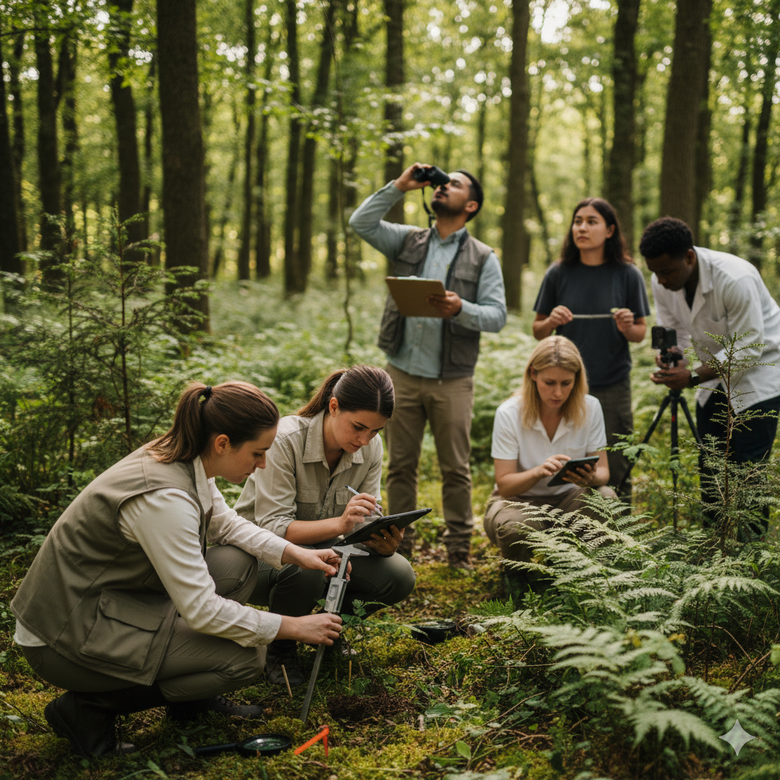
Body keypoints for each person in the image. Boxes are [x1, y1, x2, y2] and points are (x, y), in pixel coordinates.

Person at [11, 382, 344, 758]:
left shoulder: (185, 459)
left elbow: (226, 524)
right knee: (244, 658)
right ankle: (88, 709)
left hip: (115, 601)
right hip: (63, 636)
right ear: (222, 443)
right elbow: (202, 610)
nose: (262, 464)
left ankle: (191, 700)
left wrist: (297, 554)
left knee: (235, 564)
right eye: (258, 453)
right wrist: (294, 626)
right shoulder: (163, 499)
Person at [349, 162, 507, 570]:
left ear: (470, 205)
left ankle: (458, 550)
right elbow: (360, 222)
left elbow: (497, 316)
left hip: (453, 380)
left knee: (455, 467)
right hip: (400, 372)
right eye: (441, 182)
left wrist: (461, 308)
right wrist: (401, 185)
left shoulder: (483, 257)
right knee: (400, 464)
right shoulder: (408, 241)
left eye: (453, 185)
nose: (442, 187)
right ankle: (400, 547)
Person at [234, 365, 416, 686]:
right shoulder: (285, 440)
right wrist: (341, 523)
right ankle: (281, 649)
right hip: (258, 557)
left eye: (375, 431)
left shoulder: (370, 448)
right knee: (307, 567)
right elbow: (274, 529)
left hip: (324, 552)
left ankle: (328, 633)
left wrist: (380, 539)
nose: (365, 439)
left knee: (398, 574)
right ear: (333, 407)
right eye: (358, 427)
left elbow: (362, 521)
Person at [640, 216, 780, 533]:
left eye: (666, 272)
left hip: (760, 377)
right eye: (654, 272)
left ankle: (750, 556)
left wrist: (691, 378)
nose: (660, 281)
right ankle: (712, 545)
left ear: (689, 257)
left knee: (749, 471)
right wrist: (673, 359)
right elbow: (675, 327)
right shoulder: (662, 278)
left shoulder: (735, 278)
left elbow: (749, 347)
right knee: (710, 463)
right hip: (713, 378)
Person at [532, 197, 650, 496]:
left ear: (610, 230)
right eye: (578, 221)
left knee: (617, 461)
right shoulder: (558, 273)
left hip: (612, 383)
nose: (582, 228)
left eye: (591, 221)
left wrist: (627, 327)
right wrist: (551, 321)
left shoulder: (628, 274)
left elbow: (639, 333)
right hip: (565, 385)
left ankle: (620, 527)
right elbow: (538, 329)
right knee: (567, 457)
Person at [484, 336, 616, 588]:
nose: (558, 392)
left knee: (606, 498)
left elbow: (604, 472)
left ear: (577, 379)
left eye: (566, 383)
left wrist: (590, 477)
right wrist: (537, 472)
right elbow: (505, 486)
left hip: (570, 496)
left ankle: (592, 577)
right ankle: (517, 579)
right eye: (549, 383)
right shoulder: (509, 413)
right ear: (533, 374)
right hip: (518, 501)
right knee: (514, 528)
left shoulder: (590, 407)